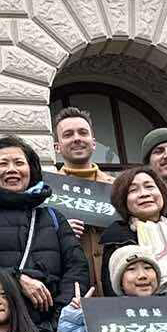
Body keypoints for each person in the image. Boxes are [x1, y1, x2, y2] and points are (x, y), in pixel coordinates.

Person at [0, 135, 89, 332]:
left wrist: (57, 321)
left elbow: (77, 269)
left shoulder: (53, 216)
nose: (12, 169)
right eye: (3, 163)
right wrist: (16, 279)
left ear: (31, 170)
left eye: (19, 163)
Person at [99, 165, 167, 298]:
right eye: (133, 190)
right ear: (123, 200)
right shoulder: (116, 238)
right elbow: (112, 292)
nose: (144, 194)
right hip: (144, 315)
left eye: (149, 187)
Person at [52, 106, 109, 283]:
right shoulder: (46, 193)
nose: (76, 138)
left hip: (116, 293)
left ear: (93, 142)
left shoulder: (119, 188)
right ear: (57, 147)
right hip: (71, 291)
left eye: (82, 133)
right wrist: (58, 230)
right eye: (68, 134)